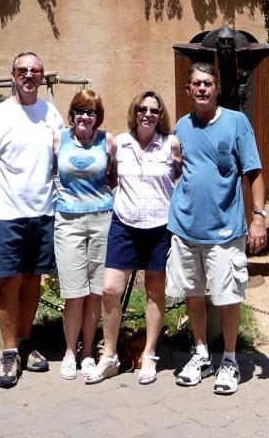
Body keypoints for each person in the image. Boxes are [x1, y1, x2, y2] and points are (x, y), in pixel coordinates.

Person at [167, 62, 267, 396]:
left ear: (216, 88)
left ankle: (229, 359)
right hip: (186, 228)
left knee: (228, 296)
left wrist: (258, 217)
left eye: (208, 83)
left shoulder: (237, 123)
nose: (202, 88)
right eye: (196, 83)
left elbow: (253, 172)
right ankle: (200, 355)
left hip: (225, 231)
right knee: (193, 294)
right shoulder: (181, 126)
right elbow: (175, 171)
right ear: (188, 89)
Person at [0, 51, 64, 389]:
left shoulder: (51, 113)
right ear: (12, 75)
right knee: (10, 281)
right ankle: (9, 351)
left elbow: (66, 159)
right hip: (7, 214)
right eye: (22, 70)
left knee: (33, 279)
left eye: (35, 70)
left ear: (41, 76)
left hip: (42, 212)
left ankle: (24, 341)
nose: (28, 75)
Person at [86, 90, 182, 385]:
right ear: (135, 110)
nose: (148, 114)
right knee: (110, 289)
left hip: (158, 226)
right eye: (143, 108)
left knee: (155, 291)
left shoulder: (170, 144)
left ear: (160, 114)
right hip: (124, 225)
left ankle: (150, 354)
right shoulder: (120, 143)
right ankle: (110, 355)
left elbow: (179, 177)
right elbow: (110, 177)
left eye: (154, 110)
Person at [53, 88, 116, 380]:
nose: (85, 117)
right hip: (68, 220)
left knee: (95, 292)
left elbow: (113, 178)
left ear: (98, 117)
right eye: (80, 110)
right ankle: (69, 351)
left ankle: (88, 352)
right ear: (72, 113)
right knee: (73, 292)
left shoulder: (108, 141)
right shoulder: (58, 139)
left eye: (91, 112)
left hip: (102, 218)